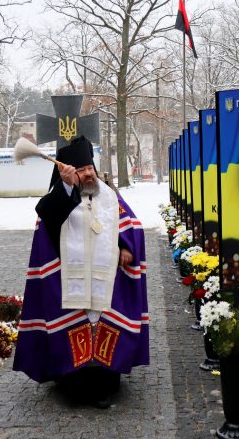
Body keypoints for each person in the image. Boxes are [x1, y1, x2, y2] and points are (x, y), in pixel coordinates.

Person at [13, 135, 149, 410]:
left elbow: (130, 224)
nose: (88, 174)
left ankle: (104, 386)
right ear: (68, 171)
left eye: (90, 168)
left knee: (102, 329)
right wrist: (66, 186)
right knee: (74, 330)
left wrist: (126, 246)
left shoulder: (109, 196)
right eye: (81, 169)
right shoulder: (60, 196)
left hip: (106, 281)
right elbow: (48, 218)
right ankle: (73, 385)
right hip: (67, 281)